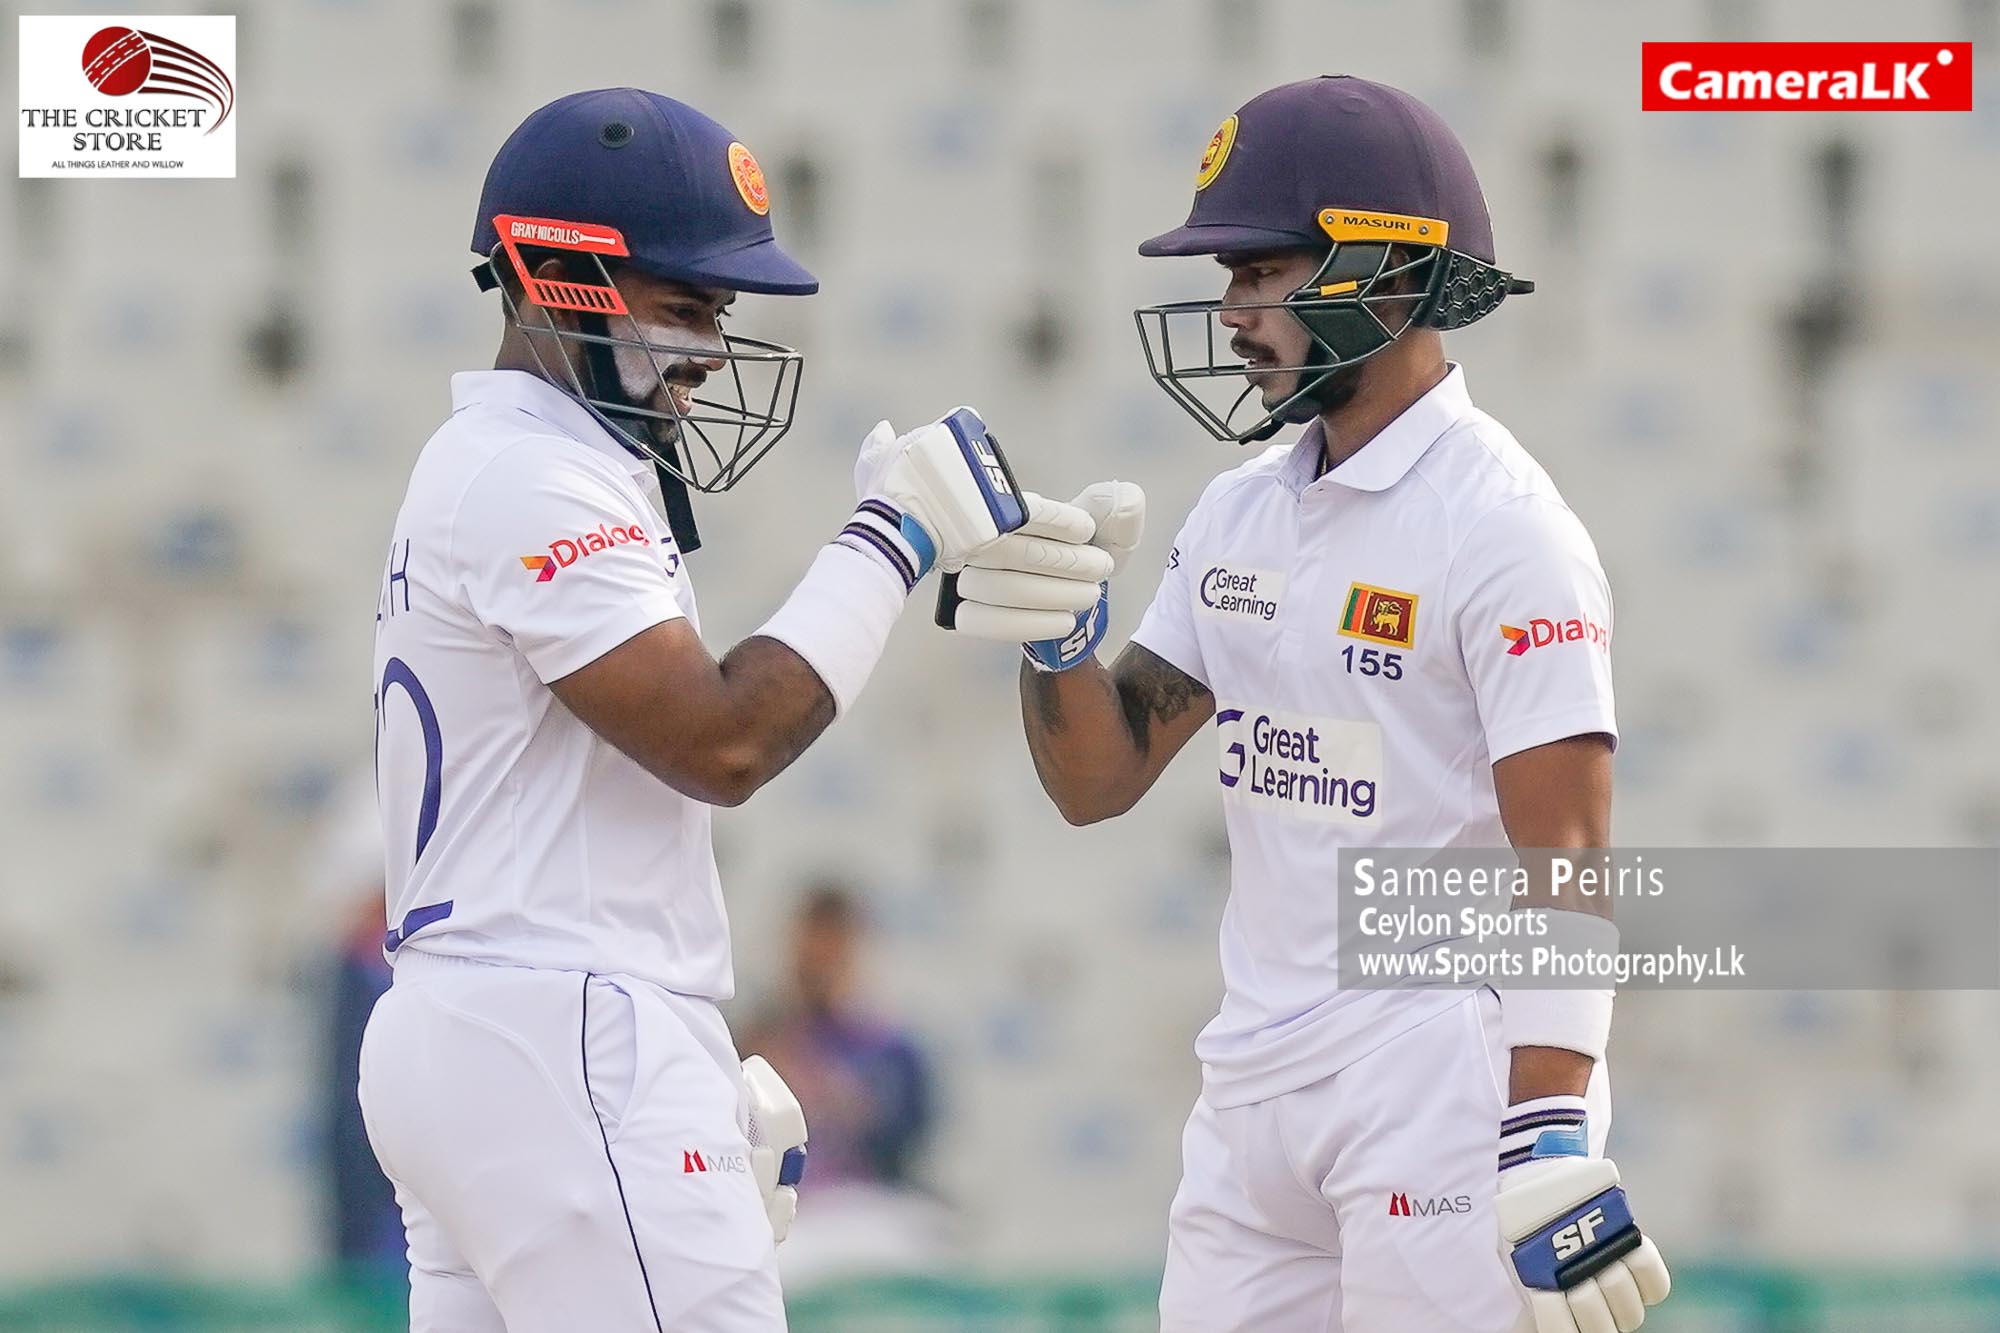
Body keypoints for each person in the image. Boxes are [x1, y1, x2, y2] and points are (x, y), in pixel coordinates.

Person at [358, 87, 1102, 1333]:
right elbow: (723, 738)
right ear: (553, 279)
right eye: (682, 304)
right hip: (563, 1030)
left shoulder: (523, 462)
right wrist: (892, 533)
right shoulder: (533, 473)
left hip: (489, 1031)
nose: (709, 344)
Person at [938, 76, 1671, 1333]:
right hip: (1252, 1083)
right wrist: (1055, 638)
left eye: (1259, 274)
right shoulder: (1242, 507)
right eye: (1227, 278)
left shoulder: (1503, 529)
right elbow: (1095, 779)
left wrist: (1545, 1123)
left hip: (1436, 1075)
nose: (1228, 314)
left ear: (1389, 278)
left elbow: (1570, 852)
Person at [738, 884, 933, 1190]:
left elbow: (908, 1144)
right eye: (811, 948)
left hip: (864, 1201)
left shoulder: (892, 1051)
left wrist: (847, 1101)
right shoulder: (759, 1043)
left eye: (833, 949)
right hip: (784, 1202)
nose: (821, 963)